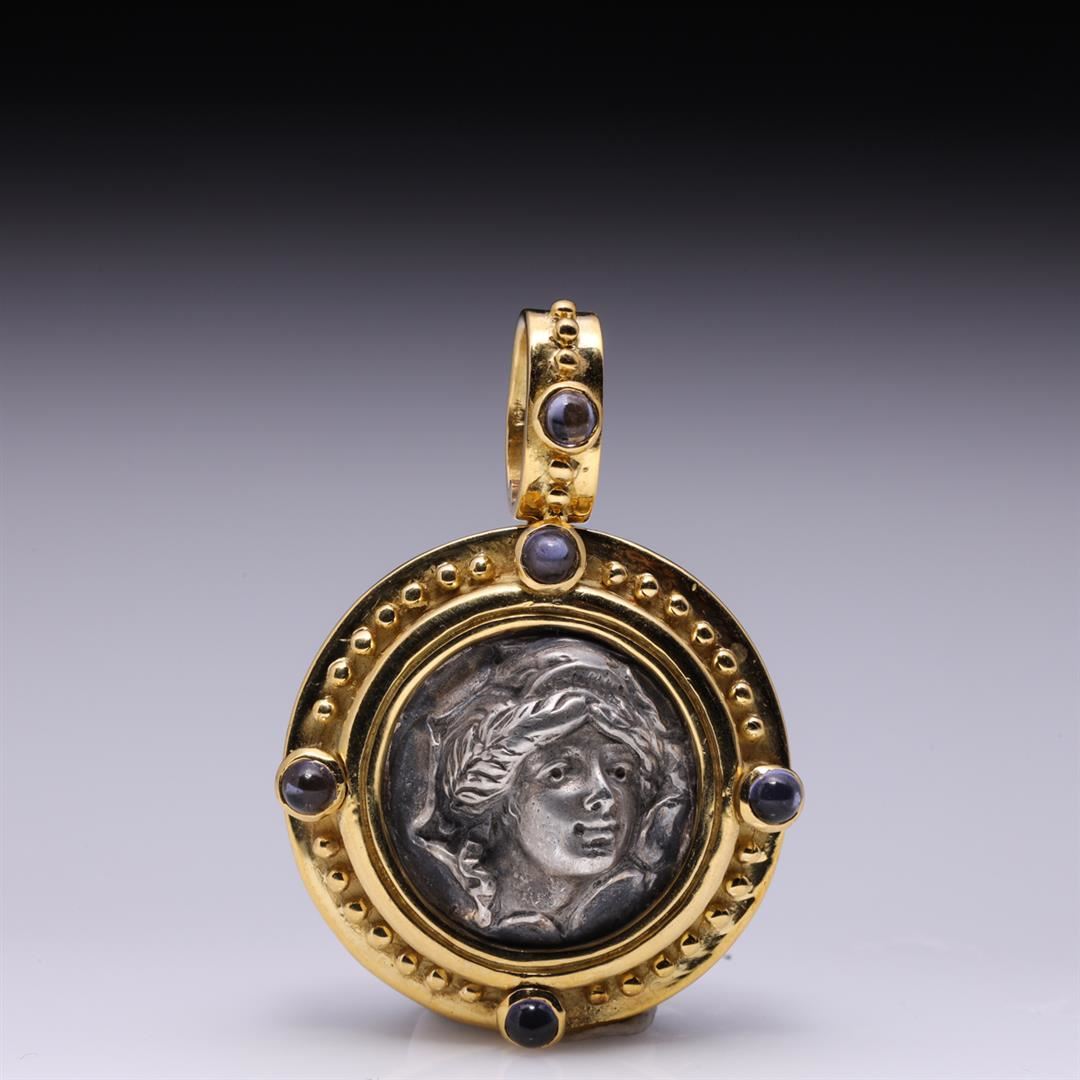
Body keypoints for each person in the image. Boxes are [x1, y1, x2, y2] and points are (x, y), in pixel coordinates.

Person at [399, 634, 695, 947]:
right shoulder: (441, 898)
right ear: (498, 798)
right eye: (559, 773)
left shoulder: (646, 900)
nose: (604, 796)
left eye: (620, 772)